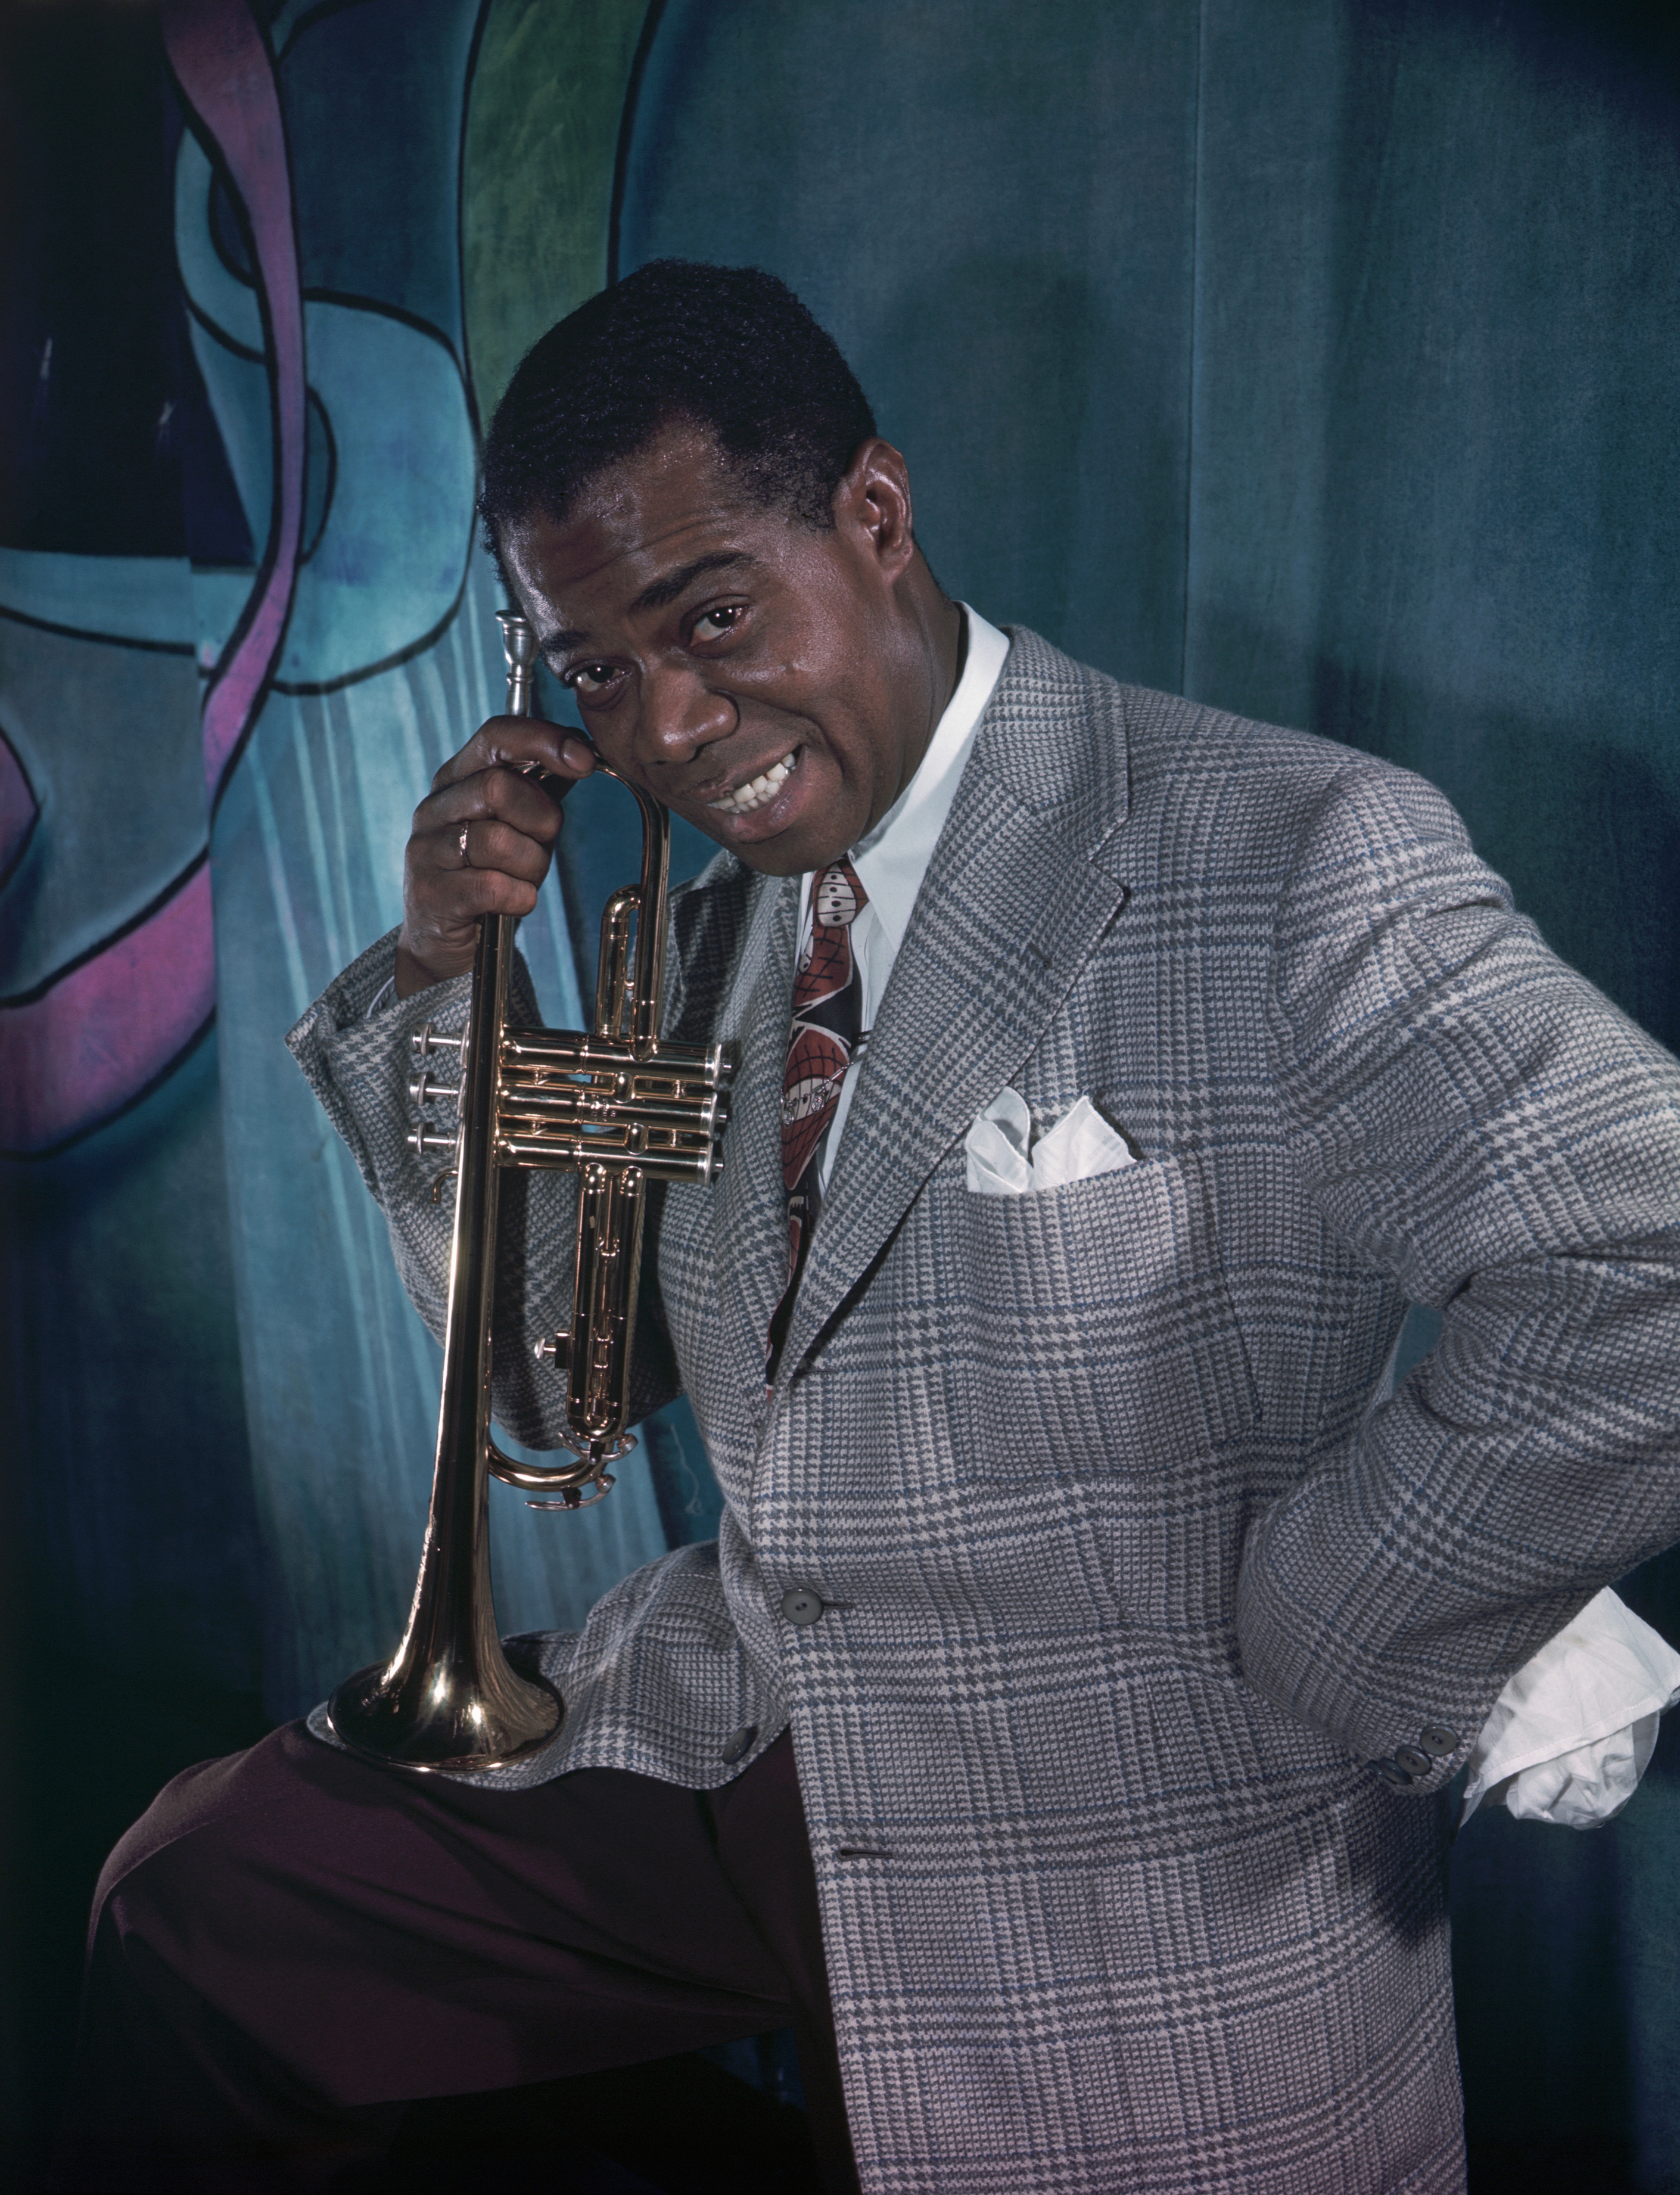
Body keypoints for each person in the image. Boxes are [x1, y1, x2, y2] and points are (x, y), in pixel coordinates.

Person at [60, 262, 1680, 2195]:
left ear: (880, 519)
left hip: (1118, 1815)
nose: (664, 725)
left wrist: (1338, 1628)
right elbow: (555, 1384)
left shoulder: (1286, 852)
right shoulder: (722, 905)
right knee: (202, 1905)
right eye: (595, 668)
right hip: (752, 1710)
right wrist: (442, 984)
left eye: (712, 615)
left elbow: (1640, 1251)